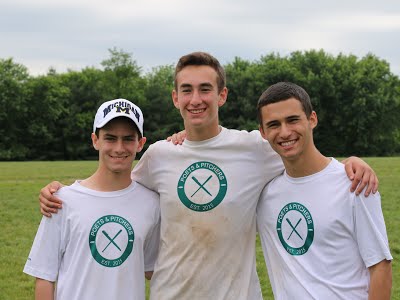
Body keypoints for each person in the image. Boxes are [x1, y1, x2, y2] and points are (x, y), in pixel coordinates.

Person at [38, 52, 378, 299]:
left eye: (205, 89)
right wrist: (62, 192)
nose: (195, 99)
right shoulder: (158, 155)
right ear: (175, 98)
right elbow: (114, 183)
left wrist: (350, 162)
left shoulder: (254, 149)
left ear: (222, 95)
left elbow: (301, 155)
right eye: (186, 90)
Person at [256, 82, 392, 299]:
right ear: (262, 132)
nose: (284, 132)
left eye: (292, 120)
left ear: (312, 119)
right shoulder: (263, 194)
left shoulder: (355, 184)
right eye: (273, 124)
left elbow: (380, 267)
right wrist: (186, 136)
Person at [24, 99, 160, 300]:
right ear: (95, 140)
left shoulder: (152, 203)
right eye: (110, 138)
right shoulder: (61, 201)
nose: (119, 148)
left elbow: (151, 269)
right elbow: (44, 276)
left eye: (128, 139)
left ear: (140, 143)